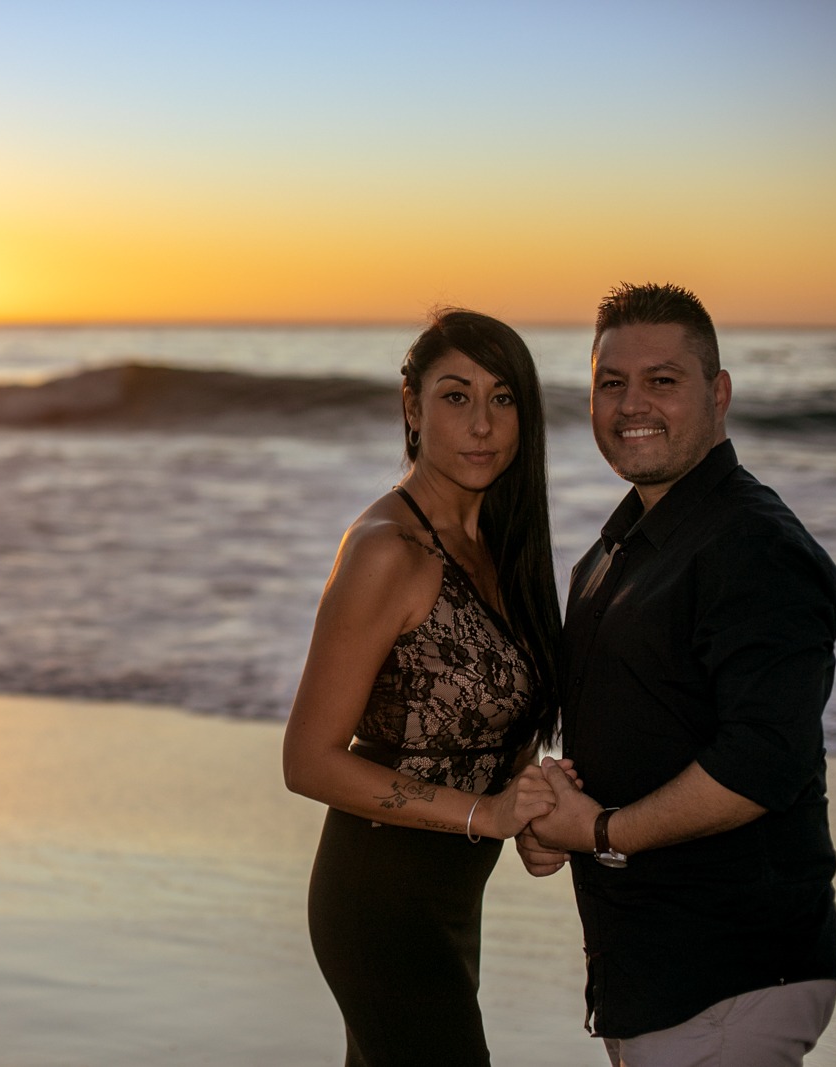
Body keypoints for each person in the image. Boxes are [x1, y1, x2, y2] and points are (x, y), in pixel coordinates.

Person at [519, 283, 836, 1067]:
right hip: (652, 975)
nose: (634, 403)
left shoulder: (754, 546)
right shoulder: (611, 554)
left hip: (729, 974)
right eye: (611, 382)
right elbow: (629, 727)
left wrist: (598, 831)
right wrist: (549, 811)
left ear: (718, 392)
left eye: (663, 380)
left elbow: (761, 761)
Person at [283, 309, 567, 1067]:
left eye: (503, 398)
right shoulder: (389, 551)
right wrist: (487, 813)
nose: (482, 424)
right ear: (411, 407)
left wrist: (535, 811)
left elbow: (496, 719)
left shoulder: (501, 549)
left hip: (451, 903)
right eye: (455, 396)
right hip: (376, 900)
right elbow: (308, 759)